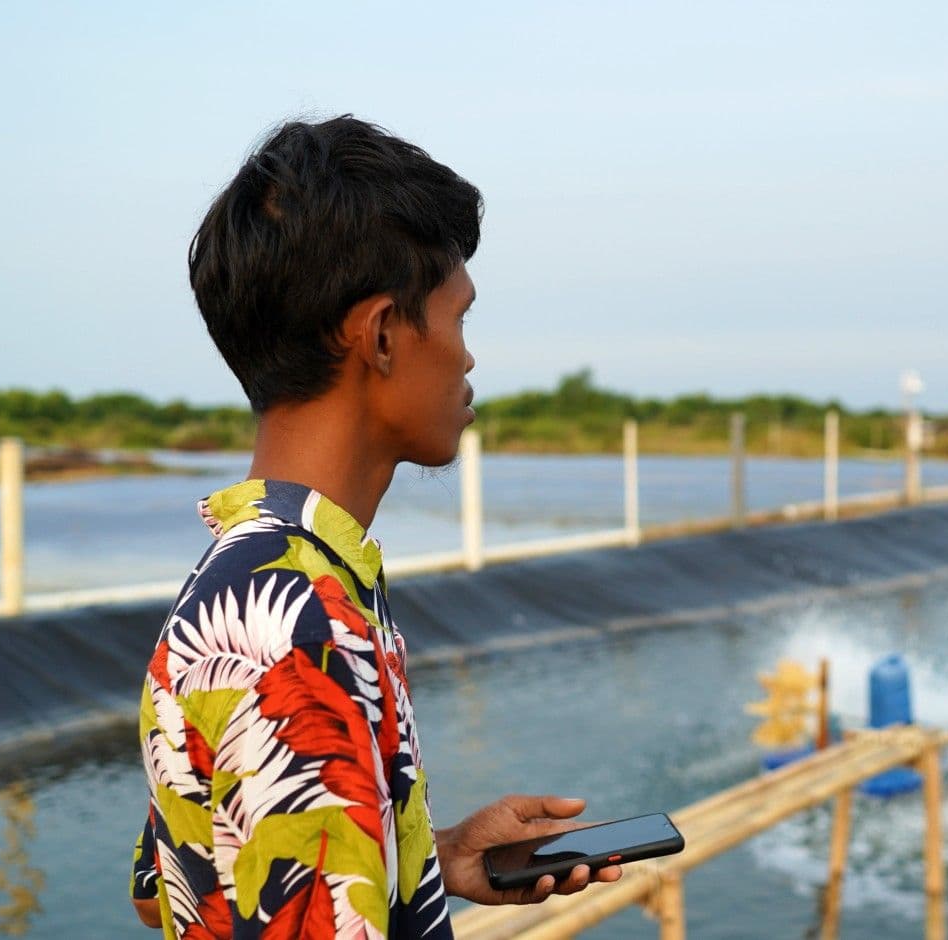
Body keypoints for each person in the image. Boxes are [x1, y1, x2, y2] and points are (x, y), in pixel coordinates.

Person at [130, 116, 621, 938]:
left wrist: (430, 856)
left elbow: (170, 882)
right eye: (459, 319)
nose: (467, 359)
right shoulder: (297, 627)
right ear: (384, 335)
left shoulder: (254, 579)